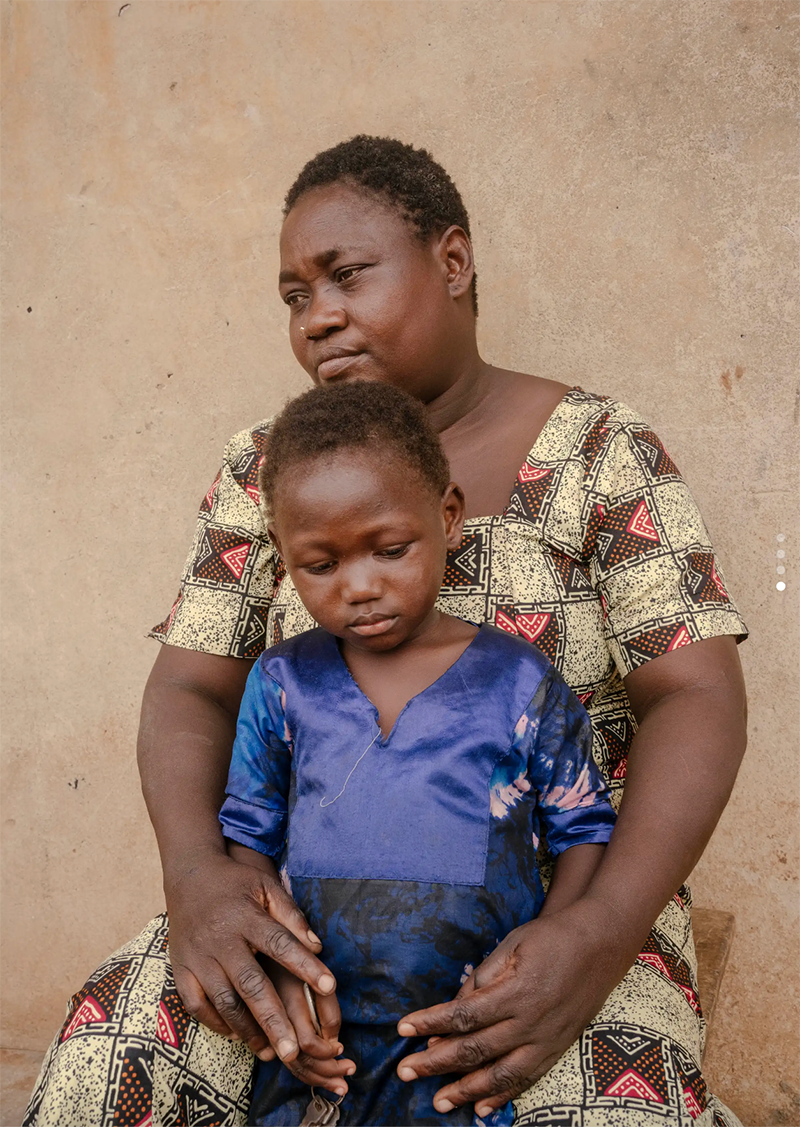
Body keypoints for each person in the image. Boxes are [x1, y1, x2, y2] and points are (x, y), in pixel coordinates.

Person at [26, 136, 748, 1127]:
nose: (318, 314)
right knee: (109, 1061)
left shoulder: (598, 452)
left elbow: (694, 693)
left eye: (346, 274)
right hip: (299, 920)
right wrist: (199, 878)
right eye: (293, 295)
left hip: (552, 919)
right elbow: (192, 684)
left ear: (450, 262)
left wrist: (598, 930)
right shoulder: (263, 468)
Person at [218, 380, 618, 1126]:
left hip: (472, 1031)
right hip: (323, 1049)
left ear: (448, 515)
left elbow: (584, 826)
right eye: (320, 565)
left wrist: (548, 941)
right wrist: (279, 965)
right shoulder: (281, 683)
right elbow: (248, 834)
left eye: (390, 549)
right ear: (283, 557)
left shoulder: (520, 682)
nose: (361, 586)